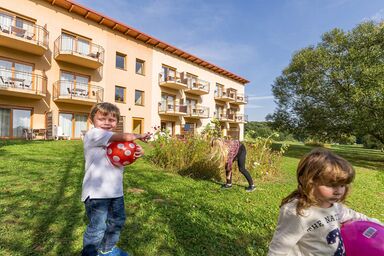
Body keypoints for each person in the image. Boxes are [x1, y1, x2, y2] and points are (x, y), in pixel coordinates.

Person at [268, 147, 383, 256]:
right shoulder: (297, 211)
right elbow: (279, 247)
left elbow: (355, 216)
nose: (338, 191)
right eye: (331, 185)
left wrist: (378, 225)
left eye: (342, 185)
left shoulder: (334, 206)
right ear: (308, 181)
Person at [81, 102, 151, 256]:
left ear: (117, 122)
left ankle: (107, 250)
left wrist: (136, 152)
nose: (107, 122)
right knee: (97, 227)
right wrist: (138, 136)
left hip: (116, 191)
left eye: (112, 120)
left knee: (117, 221)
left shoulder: (115, 140)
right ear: (92, 120)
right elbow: (126, 136)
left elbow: (121, 158)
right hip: (97, 193)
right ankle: (90, 254)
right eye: (102, 118)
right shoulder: (93, 134)